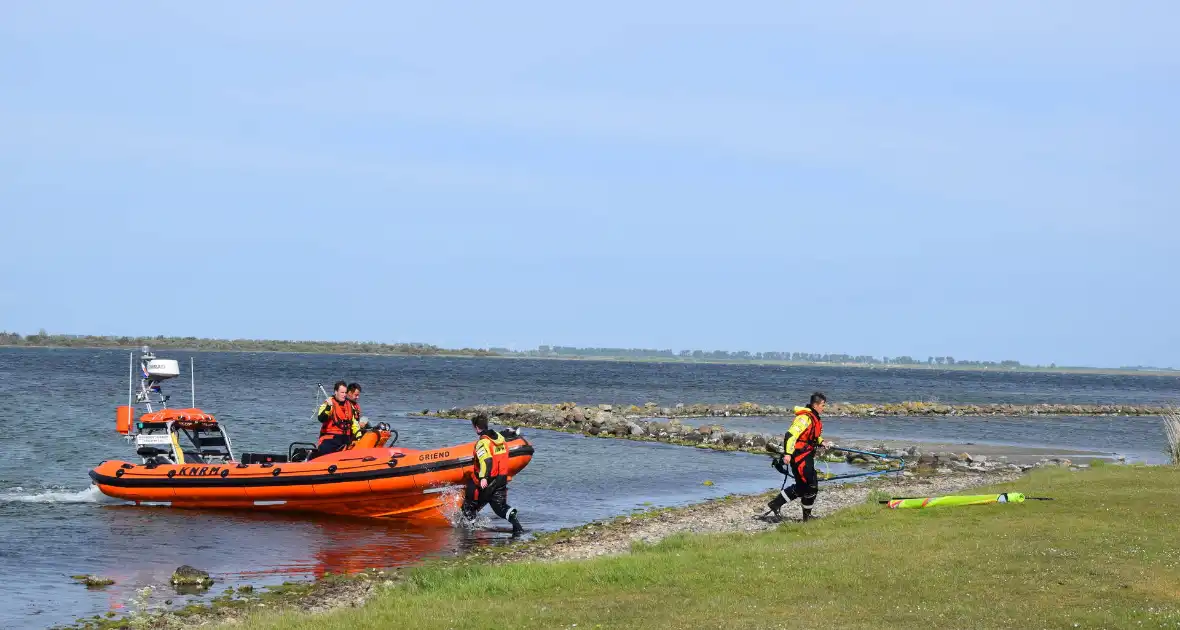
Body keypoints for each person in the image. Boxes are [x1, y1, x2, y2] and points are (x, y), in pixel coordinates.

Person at [764, 392, 834, 522]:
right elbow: (790, 435)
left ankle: (777, 505)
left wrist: (821, 442)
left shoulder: (814, 418)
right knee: (810, 486)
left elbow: (812, 435)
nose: (824, 408)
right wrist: (787, 454)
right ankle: (805, 518)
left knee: (804, 487)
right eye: (823, 405)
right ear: (815, 404)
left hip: (807, 456)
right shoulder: (804, 418)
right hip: (799, 457)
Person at [461, 412, 524, 535]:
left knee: (468, 506)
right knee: (499, 507)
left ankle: (470, 532)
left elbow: (487, 460)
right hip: (501, 478)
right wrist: (510, 431)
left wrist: (483, 478)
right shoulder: (499, 439)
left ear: (476, 428)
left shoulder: (482, 443)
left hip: (488, 480)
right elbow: (502, 436)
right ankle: (518, 527)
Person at [315, 381, 355, 455]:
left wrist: (358, 436)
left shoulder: (350, 405)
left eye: (345, 393)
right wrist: (328, 407)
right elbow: (321, 418)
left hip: (346, 439)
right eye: (342, 392)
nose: (344, 395)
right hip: (330, 438)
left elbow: (354, 424)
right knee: (325, 450)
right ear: (336, 392)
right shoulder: (327, 404)